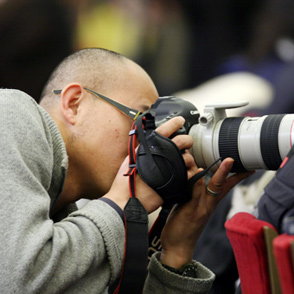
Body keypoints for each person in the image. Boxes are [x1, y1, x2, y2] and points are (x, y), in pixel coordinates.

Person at [0, 48, 252, 294]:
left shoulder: (65, 225)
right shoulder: (11, 113)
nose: (151, 142)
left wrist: (176, 253)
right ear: (74, 103)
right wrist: (122, 204)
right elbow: (19, 280)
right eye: (143, 120)